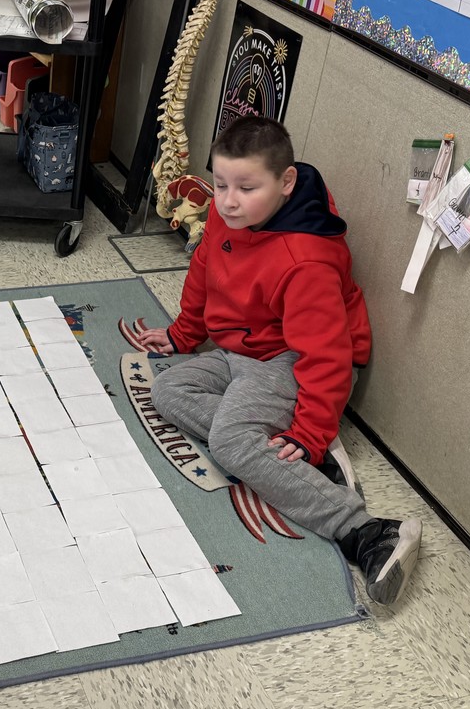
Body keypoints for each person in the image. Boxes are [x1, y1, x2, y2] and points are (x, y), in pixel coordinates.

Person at [139, 116, 422, 605]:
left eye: (246, 188)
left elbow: (327, 356)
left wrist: (309, 434)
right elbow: (203, 274)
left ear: (286, 182)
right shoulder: (228, 218)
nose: (227, 200)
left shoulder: (305, 259)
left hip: (296, 359)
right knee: (168, 390)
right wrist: (183, 335)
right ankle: (283, 447)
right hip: (242, 350)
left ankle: (367, 531)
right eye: (220, 184)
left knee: (230, 441)